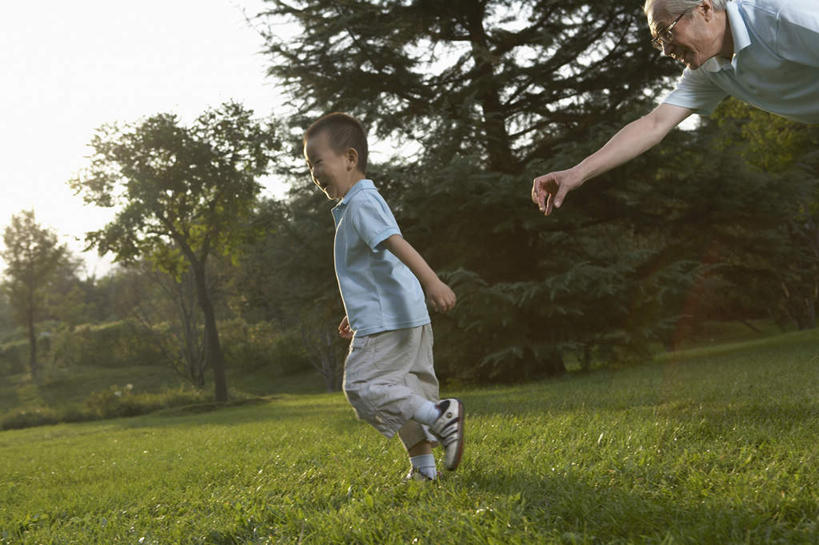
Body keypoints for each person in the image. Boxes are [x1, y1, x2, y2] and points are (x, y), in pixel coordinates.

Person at [531, 0, 819, 215]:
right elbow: (654, 124)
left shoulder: (778, 16)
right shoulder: (708, 70)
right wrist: (577, 173)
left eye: (666, 32)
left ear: (704, 9)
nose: (666, 50)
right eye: (658, 41)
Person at [303, 112, 465, 482]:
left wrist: (433, 281)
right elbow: (378, 267)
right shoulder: (358, 203)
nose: (313, 172)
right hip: (402, 314)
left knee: (364, 386)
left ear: (349, 158)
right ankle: (424, 468)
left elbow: (396, 244)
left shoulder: (360, 203)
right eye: (308, 165)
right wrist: (355, 311)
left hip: (389, 319)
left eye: (317, 161)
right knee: (406, 392)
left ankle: (440, 416)